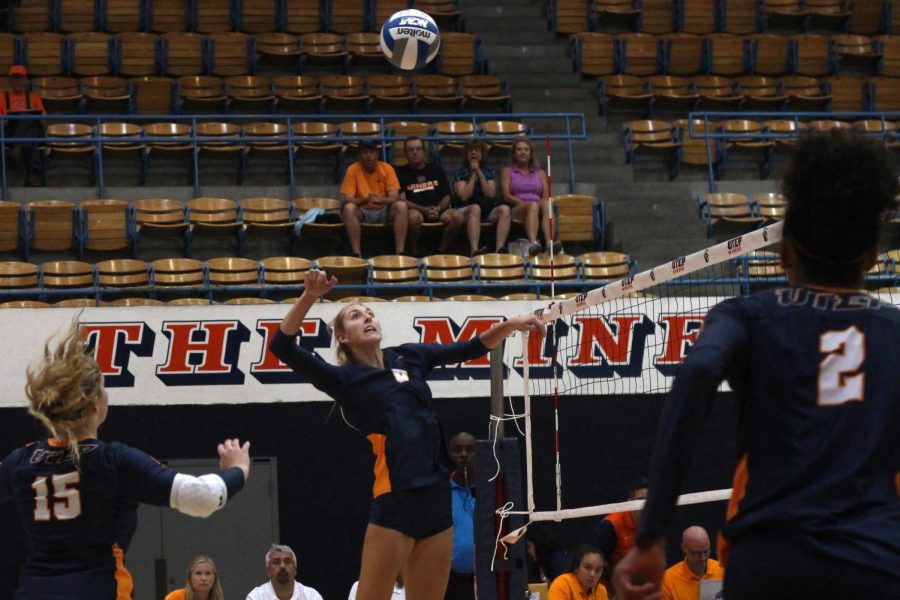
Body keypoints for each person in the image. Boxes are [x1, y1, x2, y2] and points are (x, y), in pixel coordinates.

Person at [613, 128, 900, 600]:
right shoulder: (892, 332)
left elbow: (699, 373)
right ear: (871, 258)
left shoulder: (746, 316)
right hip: (874, 563)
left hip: (770, 560)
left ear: (784, 249)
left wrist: (651, 535)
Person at [269, 269, 545, 600]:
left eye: (369, 313)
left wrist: (510, 325)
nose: (367, 317)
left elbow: (469, 347)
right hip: (395, 500)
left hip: (437, 499)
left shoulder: (407, 357)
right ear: (343, 336)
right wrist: (310, 296)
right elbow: (281, 346)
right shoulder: (344, 380)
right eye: (356, 316)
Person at [0, 319, 251, 599]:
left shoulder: (19, 460)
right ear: (96, 404)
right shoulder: (114, 460)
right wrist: (238, 468)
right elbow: (203, 497)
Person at [395, 136, 461, 256]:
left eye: (418, 149)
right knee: (413, 217)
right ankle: (413, 251)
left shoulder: (436, 170)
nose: (415, 152)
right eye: (411, 150)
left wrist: (438, 208)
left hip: (437, 210)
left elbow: (447, 196)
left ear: (424, 151)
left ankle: (441, 250)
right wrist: (423, 210)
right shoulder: (400, 172)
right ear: (406, 154)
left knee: (457, 216)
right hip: (416, 211)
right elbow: (402, 200)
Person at [340, 141, 407, 257]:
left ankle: (400, 253)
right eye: (365, 152)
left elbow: (395, 196)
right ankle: (357, 254)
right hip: (362, 210)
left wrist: (381, 200)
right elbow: (348, 199)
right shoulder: (352, 169)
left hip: (384, 209)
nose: (368, 156)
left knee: (401, 206)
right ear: (359, 155)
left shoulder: (387, 168)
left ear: (377, 155)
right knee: (348, 208)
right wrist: (364, 200)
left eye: (371, 152)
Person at [500, 136, 560, 257]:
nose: (523, 152)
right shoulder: (507, 171)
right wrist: (525, 204)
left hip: (538, 206)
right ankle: (533, 243)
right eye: (519, 149)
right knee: (532, 206)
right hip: (517, 207)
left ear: (531, 154)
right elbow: (506, 195)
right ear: (514, 154)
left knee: (547, 204)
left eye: (526, 149)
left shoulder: (540, 172)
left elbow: (546, 194)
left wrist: (539, 204)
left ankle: (549, 242)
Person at [452, 139, 511, 256]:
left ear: (482, 154)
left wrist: (479, 172)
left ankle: (499, 249)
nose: (473, 153)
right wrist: (473, 175)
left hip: (485, 209)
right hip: (464, 210)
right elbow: (464, 196)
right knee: (475, 208)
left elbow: (490, 194)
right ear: (466, 154)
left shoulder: (488, 171)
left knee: (505, 209)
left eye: (477, 150)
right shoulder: (461, 172)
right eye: (470, 150)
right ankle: (474, 250)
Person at [0, 65, 46, 187]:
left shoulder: (34, 97)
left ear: (25, 80)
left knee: (31, 123)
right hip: (9, 131)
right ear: (9, 80)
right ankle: (33, 173)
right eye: (14, 78)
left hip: (29, 132)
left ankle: (17, 148)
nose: (17, 81)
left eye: (20, 78)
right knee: (28, 126)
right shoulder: (1, 97)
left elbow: (42, 118)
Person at [445, 431, 476, 600]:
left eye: (469, 450)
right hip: (447, 580)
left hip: (483, 579)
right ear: (449, 455)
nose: (463, 454)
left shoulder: (489, 493)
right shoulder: (441, 493)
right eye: (458, 450)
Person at [595, 477, 647, 574]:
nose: (645, 505)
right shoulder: (610, 525)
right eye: (640, 500)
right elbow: (598, 565)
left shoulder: (655, 522)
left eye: (649, 500)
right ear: (629, 503)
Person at [660, 527, 723, 600]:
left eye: (706, 552)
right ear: (684, 548)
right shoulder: (668, 580)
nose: (703, 558)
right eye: (697, 553)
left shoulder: (722, 569)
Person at [246, 544, 323, 600]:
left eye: (287, 561)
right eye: (276, 562)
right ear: (268, 571)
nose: (282, 566)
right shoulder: (256, 597)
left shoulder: (311, 596)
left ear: (295, 570)